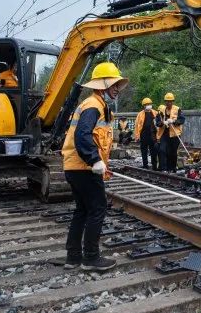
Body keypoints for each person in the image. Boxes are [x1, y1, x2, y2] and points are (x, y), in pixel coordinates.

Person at [61, 61, 128, 271]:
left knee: (82, 210)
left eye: (118, 85)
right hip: (84, 168)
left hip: (76, 166)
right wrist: (94, 160)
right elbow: (83, 135)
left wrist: (100, 162)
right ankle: (91, 258)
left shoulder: (98, 106)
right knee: (97, 208)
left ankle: (73, 257)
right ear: (103, 84)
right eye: (114, 84)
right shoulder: (93, 106)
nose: (117, 89)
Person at [156, 92, 185, 172]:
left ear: (173, 101)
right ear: (165, 102)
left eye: (170, 101)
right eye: (167, 101)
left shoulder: (177, 109)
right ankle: (163, 168)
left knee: (173, 152)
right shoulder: (161, 110)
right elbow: (157, 122)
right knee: (162, 150)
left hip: (175, 134)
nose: (168, 103)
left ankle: (172, 168)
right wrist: (163, 123)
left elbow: (182, 120)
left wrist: (173, 121)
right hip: (164, 134)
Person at [132, 97, 157, 169]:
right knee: (144, 151)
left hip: (153, 135)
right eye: (147, 104)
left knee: (153, 151)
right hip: (143, 135)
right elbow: (137, 126)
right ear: (144, 105)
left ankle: (154, 165)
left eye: (149, 104)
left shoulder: (155, 113)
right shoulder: (140, 114)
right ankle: (145, 165)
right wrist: (137, 136)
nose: (149, 105)